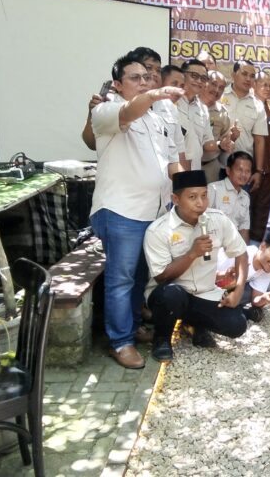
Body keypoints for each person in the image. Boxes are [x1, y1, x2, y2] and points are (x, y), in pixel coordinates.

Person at [90, 52, 183, 369]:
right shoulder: (106, 110)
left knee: (140, 276)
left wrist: (190, 192)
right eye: (135, 78)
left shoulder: (156, 119)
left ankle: (132, 327)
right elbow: (129, 110)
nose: (144, 82)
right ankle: (120, 342)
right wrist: (156, 94)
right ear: (117, 84)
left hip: (153, 212)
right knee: (121, 279)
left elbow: (169, 162)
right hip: (121, 211)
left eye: (146, 77)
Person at [144, 170, 251, 362]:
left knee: (237, 325)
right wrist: (192, 254)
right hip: (170, 293)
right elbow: (161, 276)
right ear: (176, 199)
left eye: (204, 195)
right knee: (172, 295)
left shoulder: (217, 219)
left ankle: (194, 324)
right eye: (192, 197)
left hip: (205, 293)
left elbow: (241, 252)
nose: (200, 203)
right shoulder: (159, 230)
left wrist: (238, 290)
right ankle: (162, 339)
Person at [224, 60, 269, 191]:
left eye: (252, 76)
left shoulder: (257, 105)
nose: (248, 79)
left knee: (241, 202)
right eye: (244, 74)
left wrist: (258, 171)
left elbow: (259, 140)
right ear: (233, 75)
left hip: (243, 169)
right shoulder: (220, 95)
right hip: (218, 163)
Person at [178, 59, 231, 171]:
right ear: (182, 75)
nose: (199, 81)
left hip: (194, 171)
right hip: (169, 170)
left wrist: (221, 145)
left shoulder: (203, 109)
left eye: (203, 78)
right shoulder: (171, 101)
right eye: (194, 76)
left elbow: (207, 143)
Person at [249, 71, 270, 241]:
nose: (268, 89)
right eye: (264, 85)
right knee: (247, 207)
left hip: (267, 166)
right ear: (254, 85)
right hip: (251, 165)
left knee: (263, 209)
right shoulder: (250, 105)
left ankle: (257, 244)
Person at [208, 151, 252, 243]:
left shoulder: (245, 197)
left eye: (247, 171)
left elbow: (244, 229)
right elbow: (201, 221)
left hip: (233, 246)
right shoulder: (214, 189)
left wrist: (245, 250)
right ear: (228, 170)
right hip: (213, 244)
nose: (243, 175)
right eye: (239, 170)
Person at [201, 70, 232, 183]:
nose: (217, 90)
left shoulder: (223, 113)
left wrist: (228, 143)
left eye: (221, 87)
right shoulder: (190, 105)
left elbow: (225, 142)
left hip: (210, 167)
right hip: (187, 165)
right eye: (213, 84)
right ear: (204, 82)